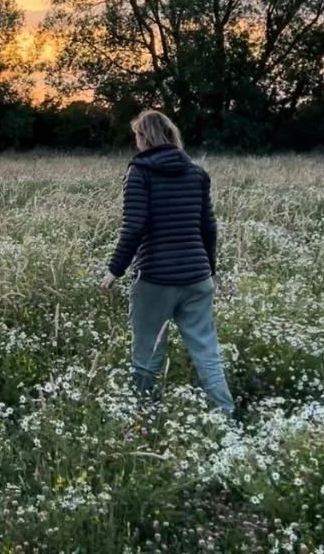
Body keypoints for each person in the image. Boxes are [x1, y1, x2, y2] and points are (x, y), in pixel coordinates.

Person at [100, 110, 234, 417]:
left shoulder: (140, 172)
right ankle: (225, 414)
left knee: (147, 353)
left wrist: (114, 270)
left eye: (136, 136)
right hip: (197, 277)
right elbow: (209, 228)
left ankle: (144, 417)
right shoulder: (196, 172)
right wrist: (208, 268)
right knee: (206, 352)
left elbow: (133, 226)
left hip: (156, 278)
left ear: (145, 138)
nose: (135, 142)